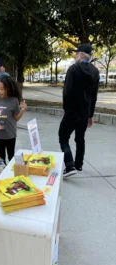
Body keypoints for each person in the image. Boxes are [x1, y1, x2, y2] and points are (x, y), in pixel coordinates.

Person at [58, 43, 99, 178]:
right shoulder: (95, 72)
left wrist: (66, 109)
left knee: (63, 137)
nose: (75, 56)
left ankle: (69, 166)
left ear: (81, 55)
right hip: (84, 112)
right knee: (80, 138)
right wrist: (90, 115)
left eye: (76, 54)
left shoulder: (73, 69)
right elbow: (94, 96)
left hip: (72, 111)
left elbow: (67, 92)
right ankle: (79, 164)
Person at [0, 76, 27, 164]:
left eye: (2, 89)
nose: (0, 91)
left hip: (10, 134)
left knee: (11, 158)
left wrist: (22, 110)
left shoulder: (14, 100)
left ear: (8, 88)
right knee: (1, 158)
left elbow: (16, 118)